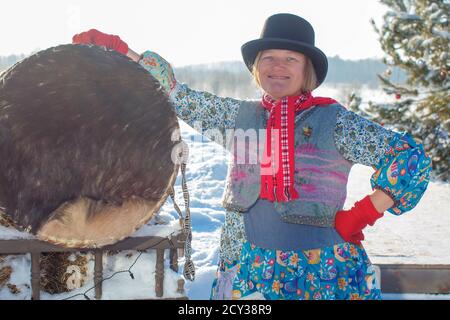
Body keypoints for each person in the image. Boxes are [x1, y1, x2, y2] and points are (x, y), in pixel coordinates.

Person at [72, 13, 432, 300]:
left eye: (290, 58)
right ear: (256, 68)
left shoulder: (335, 122)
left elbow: (410, 158)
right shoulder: (239, 118)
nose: (278, 66)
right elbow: (178, 95)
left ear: (308, 70)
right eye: (268, 58)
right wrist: (126, 54)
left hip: (321, 277)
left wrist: (362, 214)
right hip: (247, 276)